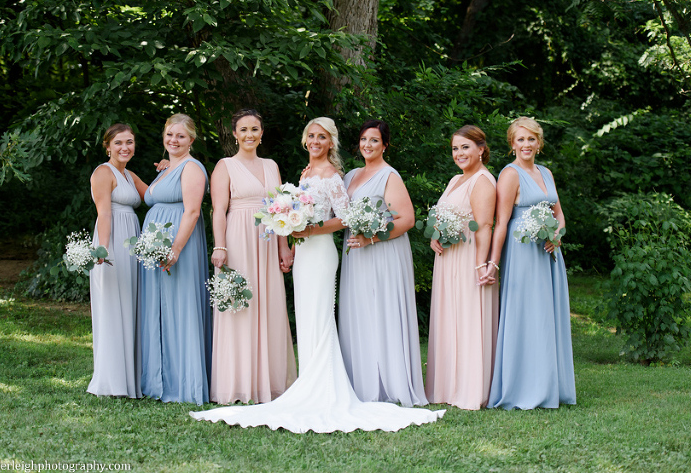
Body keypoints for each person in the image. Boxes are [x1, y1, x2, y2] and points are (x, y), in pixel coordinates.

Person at [190, 117, 445, 432]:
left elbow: (345, 217)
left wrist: (311, 229)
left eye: (322, 137)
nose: (315, 141)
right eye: (311, 136)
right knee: (308, 318)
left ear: (331, 142)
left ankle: (322, 389)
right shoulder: (306, 173)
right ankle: (309, 382)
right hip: (304, 253)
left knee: (321, 317)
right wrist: (293, 231)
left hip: (322, 251)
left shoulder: (333, 175)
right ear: (304, 140)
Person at [486, 117, 576, 410]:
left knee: (547, 316)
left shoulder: (546, 172)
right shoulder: (509, 174)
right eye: (520, 140)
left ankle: (550, 384)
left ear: (539, 143)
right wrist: (493, 262)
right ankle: (523, 387)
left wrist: (558, 235)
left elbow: (558, 212)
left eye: (531, 139)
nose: (526, 145)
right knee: (527, 315)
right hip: (522, 251)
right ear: (512, 144)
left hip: (549, 252)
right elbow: (501, 222)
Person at [208, 109, 297, 404]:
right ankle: (238, 384)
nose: (249, 135)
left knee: (268, 304)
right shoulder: (225, 166)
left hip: (269, 239)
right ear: (234, 134)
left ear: (262, 133)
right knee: (240, 307)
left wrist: (284, 246)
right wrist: (220, 246)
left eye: (254, 129)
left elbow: (281, 208)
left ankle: (269, 383)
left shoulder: (272, 166)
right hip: (238, 238)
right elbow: (218, 210)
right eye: (243, 130)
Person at [338, 119, 428, 407]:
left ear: (385, 145)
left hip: (382, 252)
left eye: (374, 140)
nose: (367, 145)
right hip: (356, 254)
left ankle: (389, 382)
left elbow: (407, 220)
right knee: (360, 311)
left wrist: (371, 238)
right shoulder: (351, 175)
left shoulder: (389, 176)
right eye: (364, 139)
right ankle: (362, 381)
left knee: (381, 311)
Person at [425, 125, 499, 410]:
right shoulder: (456, 179)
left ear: (481, 149)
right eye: (455, 148)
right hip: (448, 259)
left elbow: (483, 225)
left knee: (469, 319)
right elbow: (445, 215)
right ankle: (447, 386)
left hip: (469, 258)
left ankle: (471, 389)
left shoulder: (482, 180)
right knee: (449, 318)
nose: (459, 153)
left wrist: (482, 264)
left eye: (465, 147)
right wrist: (435, 235)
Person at [140, 113, 212, 404]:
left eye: (181, 136)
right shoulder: (167, 168)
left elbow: (192, 212)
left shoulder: (192, 168)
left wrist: (175, 249)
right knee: (158, 309)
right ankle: (158, 379)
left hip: (178, 246)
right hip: (156, 249)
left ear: (191, 140)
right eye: (170, 135)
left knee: (179, 308)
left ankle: (184, 383)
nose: (174, 140)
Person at [88, 123, 148, 398]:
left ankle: (130, 378)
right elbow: (105, 214)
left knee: (130, 305)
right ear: (108, 146)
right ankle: (111, 382)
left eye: (130, 142)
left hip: (131, 241)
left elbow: (154, 195)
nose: (125, 147)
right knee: (113, 306)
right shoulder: (103, 172)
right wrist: (103, 249)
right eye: (119, 143)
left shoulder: (129, 174)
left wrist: (169, 169)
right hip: (112, 241)